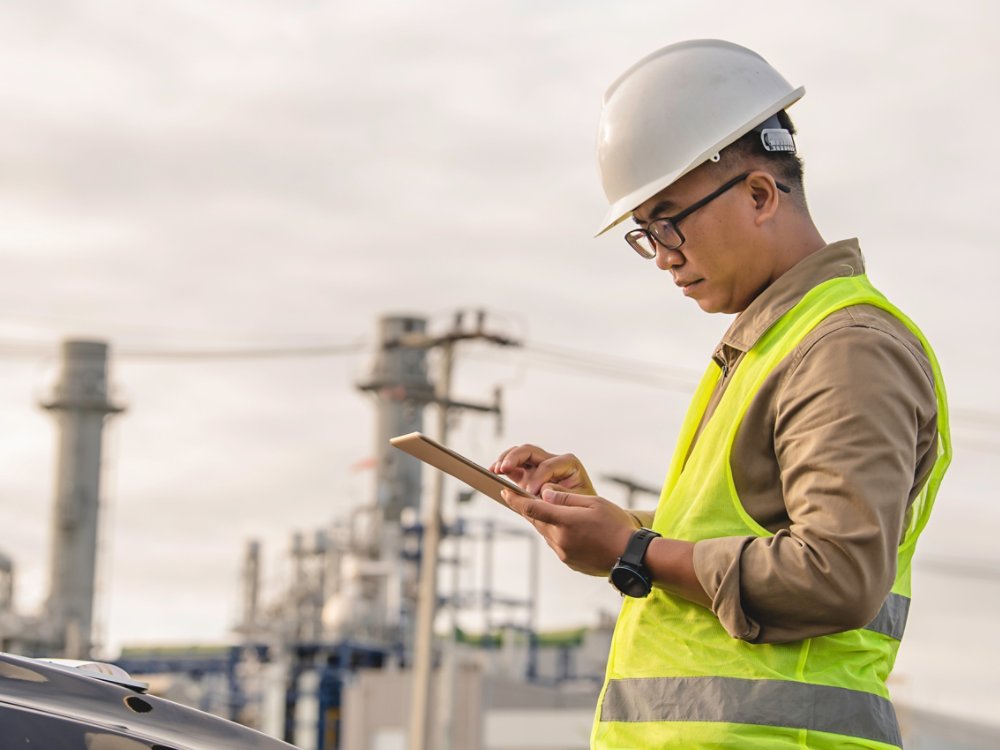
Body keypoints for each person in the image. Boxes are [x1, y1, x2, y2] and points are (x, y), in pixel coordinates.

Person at [490, 39, 951, 749]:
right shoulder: (774, 342)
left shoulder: (846, 347)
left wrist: (635, 550)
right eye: (645, 232)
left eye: (669, 218)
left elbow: (838, 574)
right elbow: (746, 534)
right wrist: (614, 525)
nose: (663, 252)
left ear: (760, 195)